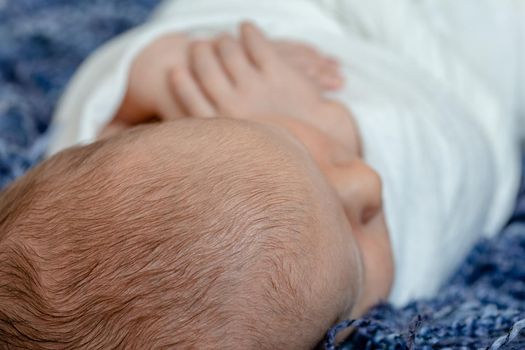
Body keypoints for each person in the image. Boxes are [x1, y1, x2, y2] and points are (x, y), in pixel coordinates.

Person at [1, 0, 524, 348]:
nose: (367, 183)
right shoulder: (407, 280)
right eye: (357, 251)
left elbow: (90, 105)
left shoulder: (117, 161)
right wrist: (338, 124)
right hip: (437, 64)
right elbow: (471, 152)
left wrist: (152, 73)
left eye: (298, 145)